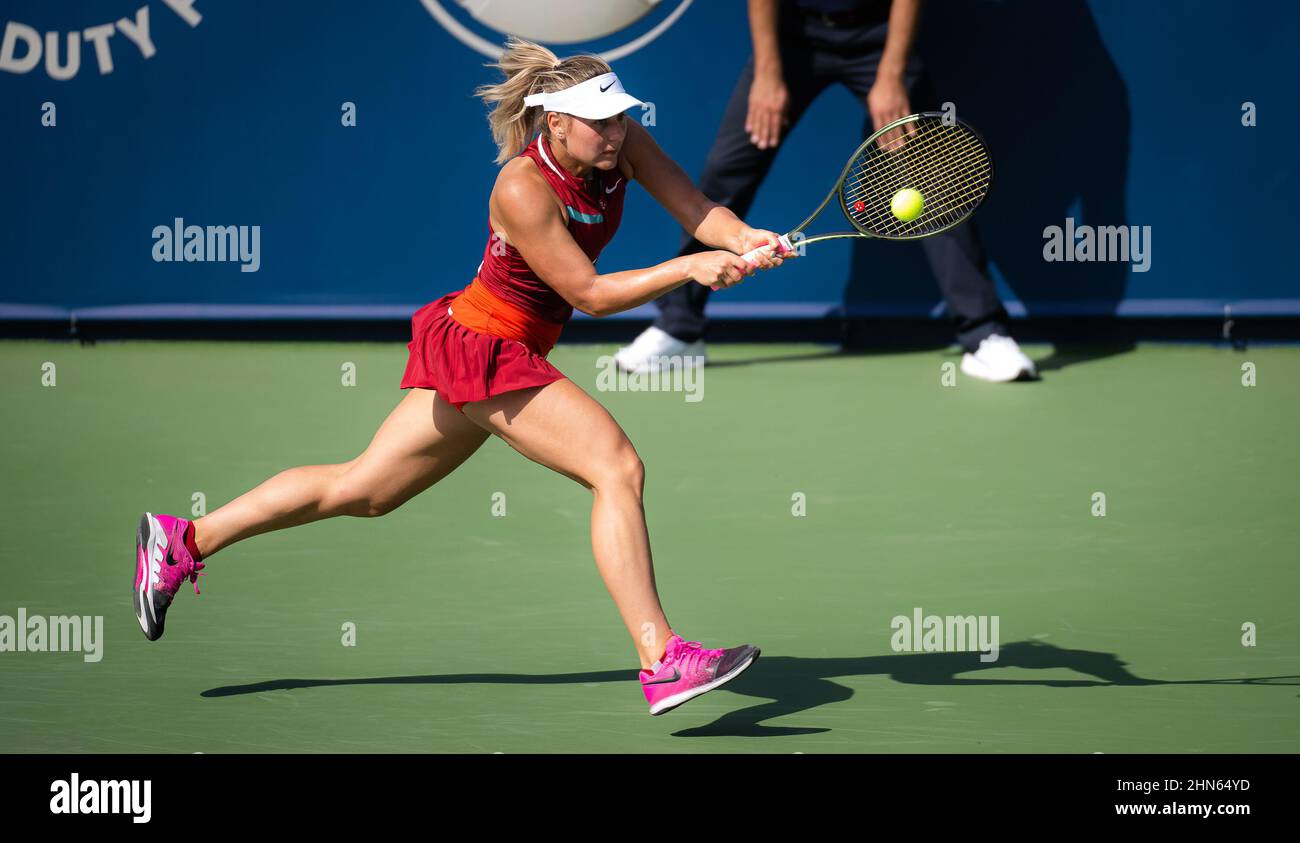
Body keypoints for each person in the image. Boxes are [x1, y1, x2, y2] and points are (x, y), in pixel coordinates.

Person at [131, 37, 786, 716]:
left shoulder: (621, 146)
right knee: (616, 467)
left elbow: (698, 210)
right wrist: (688, 269)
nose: (615, 132)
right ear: (555, 122)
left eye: (620, 116)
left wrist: (745, 240)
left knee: (364, 489)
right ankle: (662, 658)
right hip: (487, 349)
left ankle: (183, 539)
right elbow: (588, 293)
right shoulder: (521, 187)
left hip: (492, 346)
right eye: (600, 121)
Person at [616, 0, 1037, 383]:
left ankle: (983, 335)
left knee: (928, 178)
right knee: (727, 171)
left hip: (879, 36)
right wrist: (768, 72)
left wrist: (891, 75)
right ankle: (680, 328)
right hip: (792, 34)